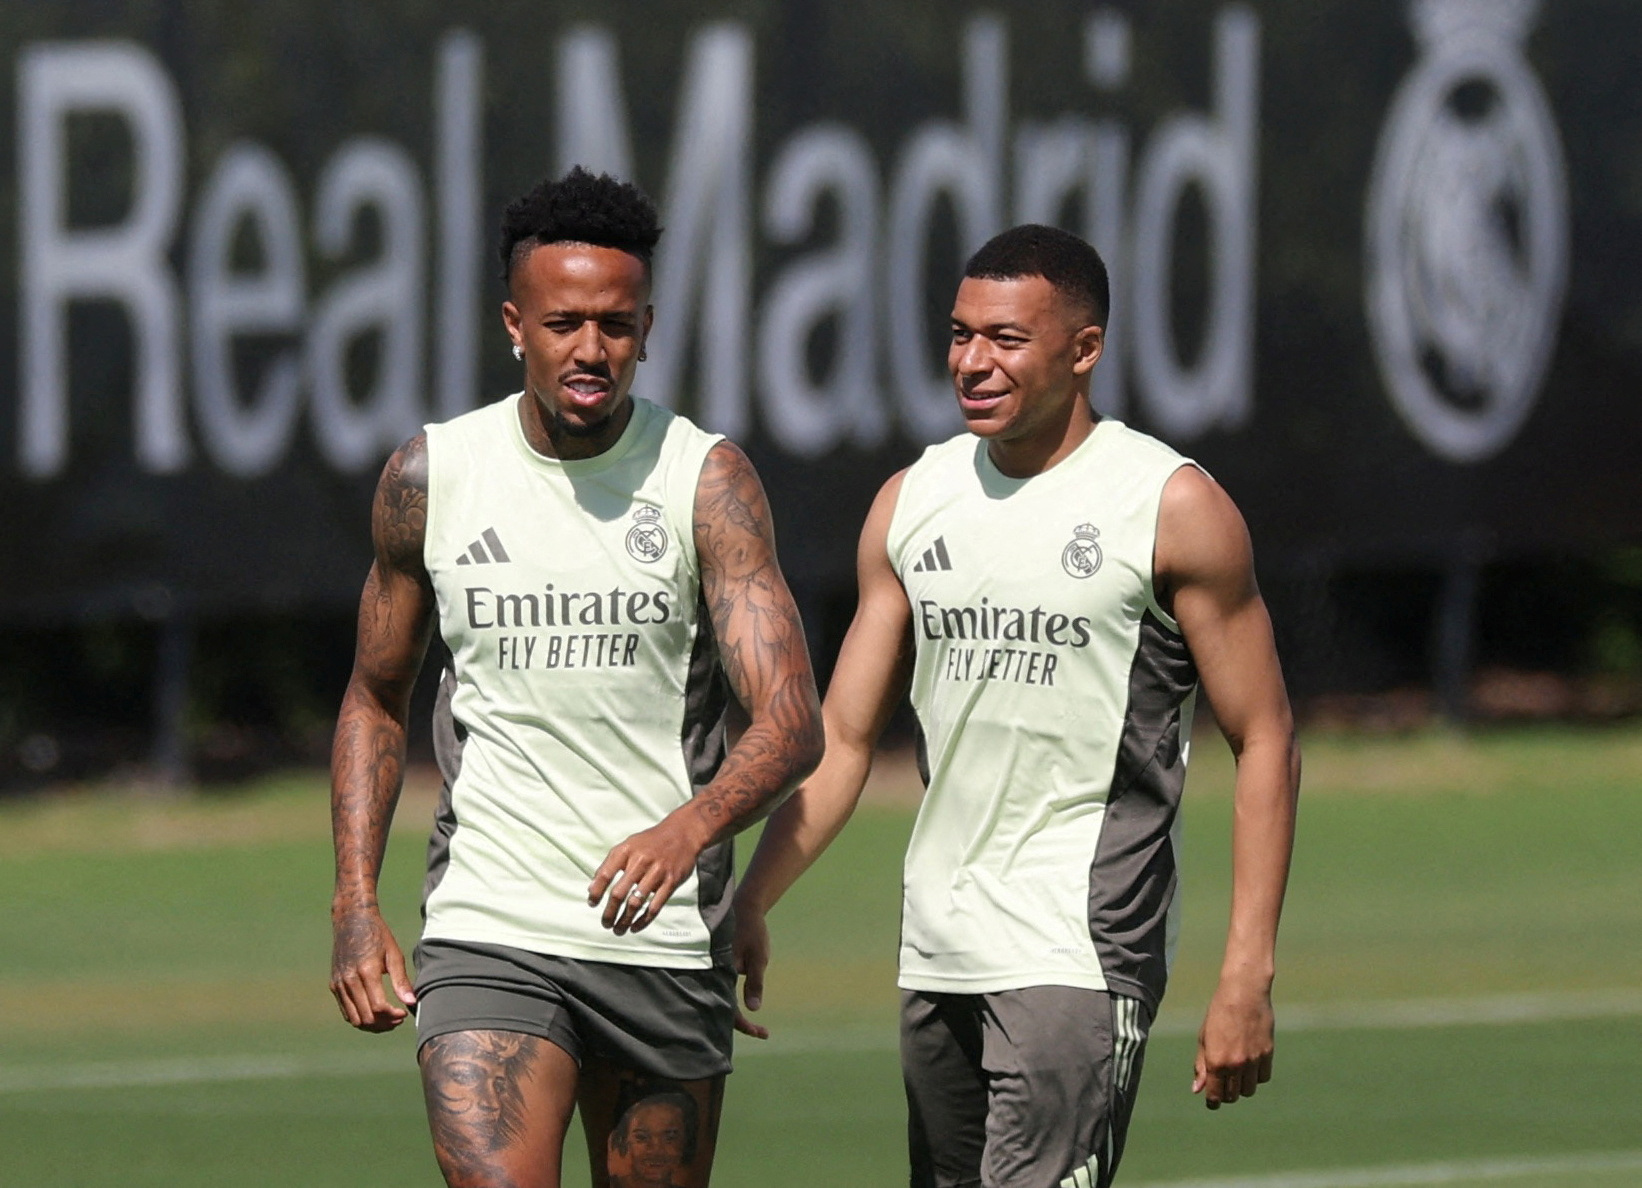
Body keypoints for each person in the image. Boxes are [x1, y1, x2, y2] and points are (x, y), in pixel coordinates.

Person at [732, 224, 1300, 1188]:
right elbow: (843, 740)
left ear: (1084, 351)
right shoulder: (913, 500)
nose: (972, 362)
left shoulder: (1168, 505)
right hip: (937, 951)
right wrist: (752, 897)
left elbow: (1267, 738)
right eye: (960, 334)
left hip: (1080, 952)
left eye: (1005, 338)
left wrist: (1247, 971)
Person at [329, 166, 823, 1188]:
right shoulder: (431, 477)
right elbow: (376, 696)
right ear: (515, 323)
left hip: (662, 939)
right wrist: (353, 901)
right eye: (563, 323)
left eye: (615, 324)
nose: (590, 350)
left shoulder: (706, 480)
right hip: (488, 920)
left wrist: (689, 831)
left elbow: (790, 719)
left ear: (647, 324)